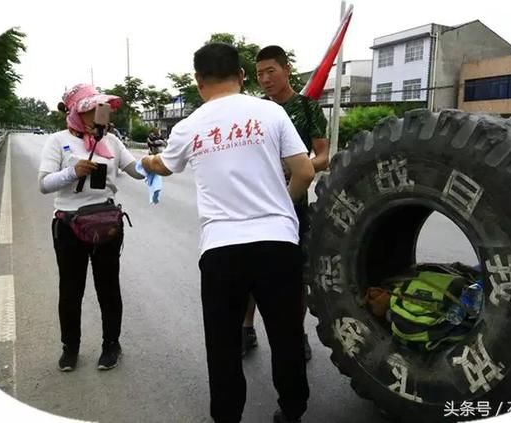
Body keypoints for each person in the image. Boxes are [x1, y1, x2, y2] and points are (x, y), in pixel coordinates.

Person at [141, 42, 315, 423]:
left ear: (199, 81)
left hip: (222, 251)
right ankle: (292, 411)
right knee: (286, 335)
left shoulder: (189, 126)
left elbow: (165, 166)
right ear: (240, 76)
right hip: (278, 243)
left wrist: (146, 161)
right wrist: (282, 208)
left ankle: (227, 416)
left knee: (222, 344)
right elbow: (304, 171)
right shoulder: (271, 112)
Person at [38, 84, 145, 372]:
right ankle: (69, 347)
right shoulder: (57, 141)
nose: (99, 115)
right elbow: (44, 184)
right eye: (90, 109)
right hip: (69, 226)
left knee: (109, 288)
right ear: (75, 112)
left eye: (101, 108)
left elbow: (136, 170)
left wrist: (158, 165)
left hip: (107, 225)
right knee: (71, 290)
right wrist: (73, 172)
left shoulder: (112, 142)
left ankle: (112, 345)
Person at [243, 45, 330, 360]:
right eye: (259, 74)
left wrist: (299, 166)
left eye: (271, 71)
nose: (265, 79)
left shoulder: (307, 108)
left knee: (295, 276)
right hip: (256, 203)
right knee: (251, 271)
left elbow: (323, 155)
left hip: (293, 204)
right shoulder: (255, 110)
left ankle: (297, 334)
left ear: (287, 69)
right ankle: (247, 329)